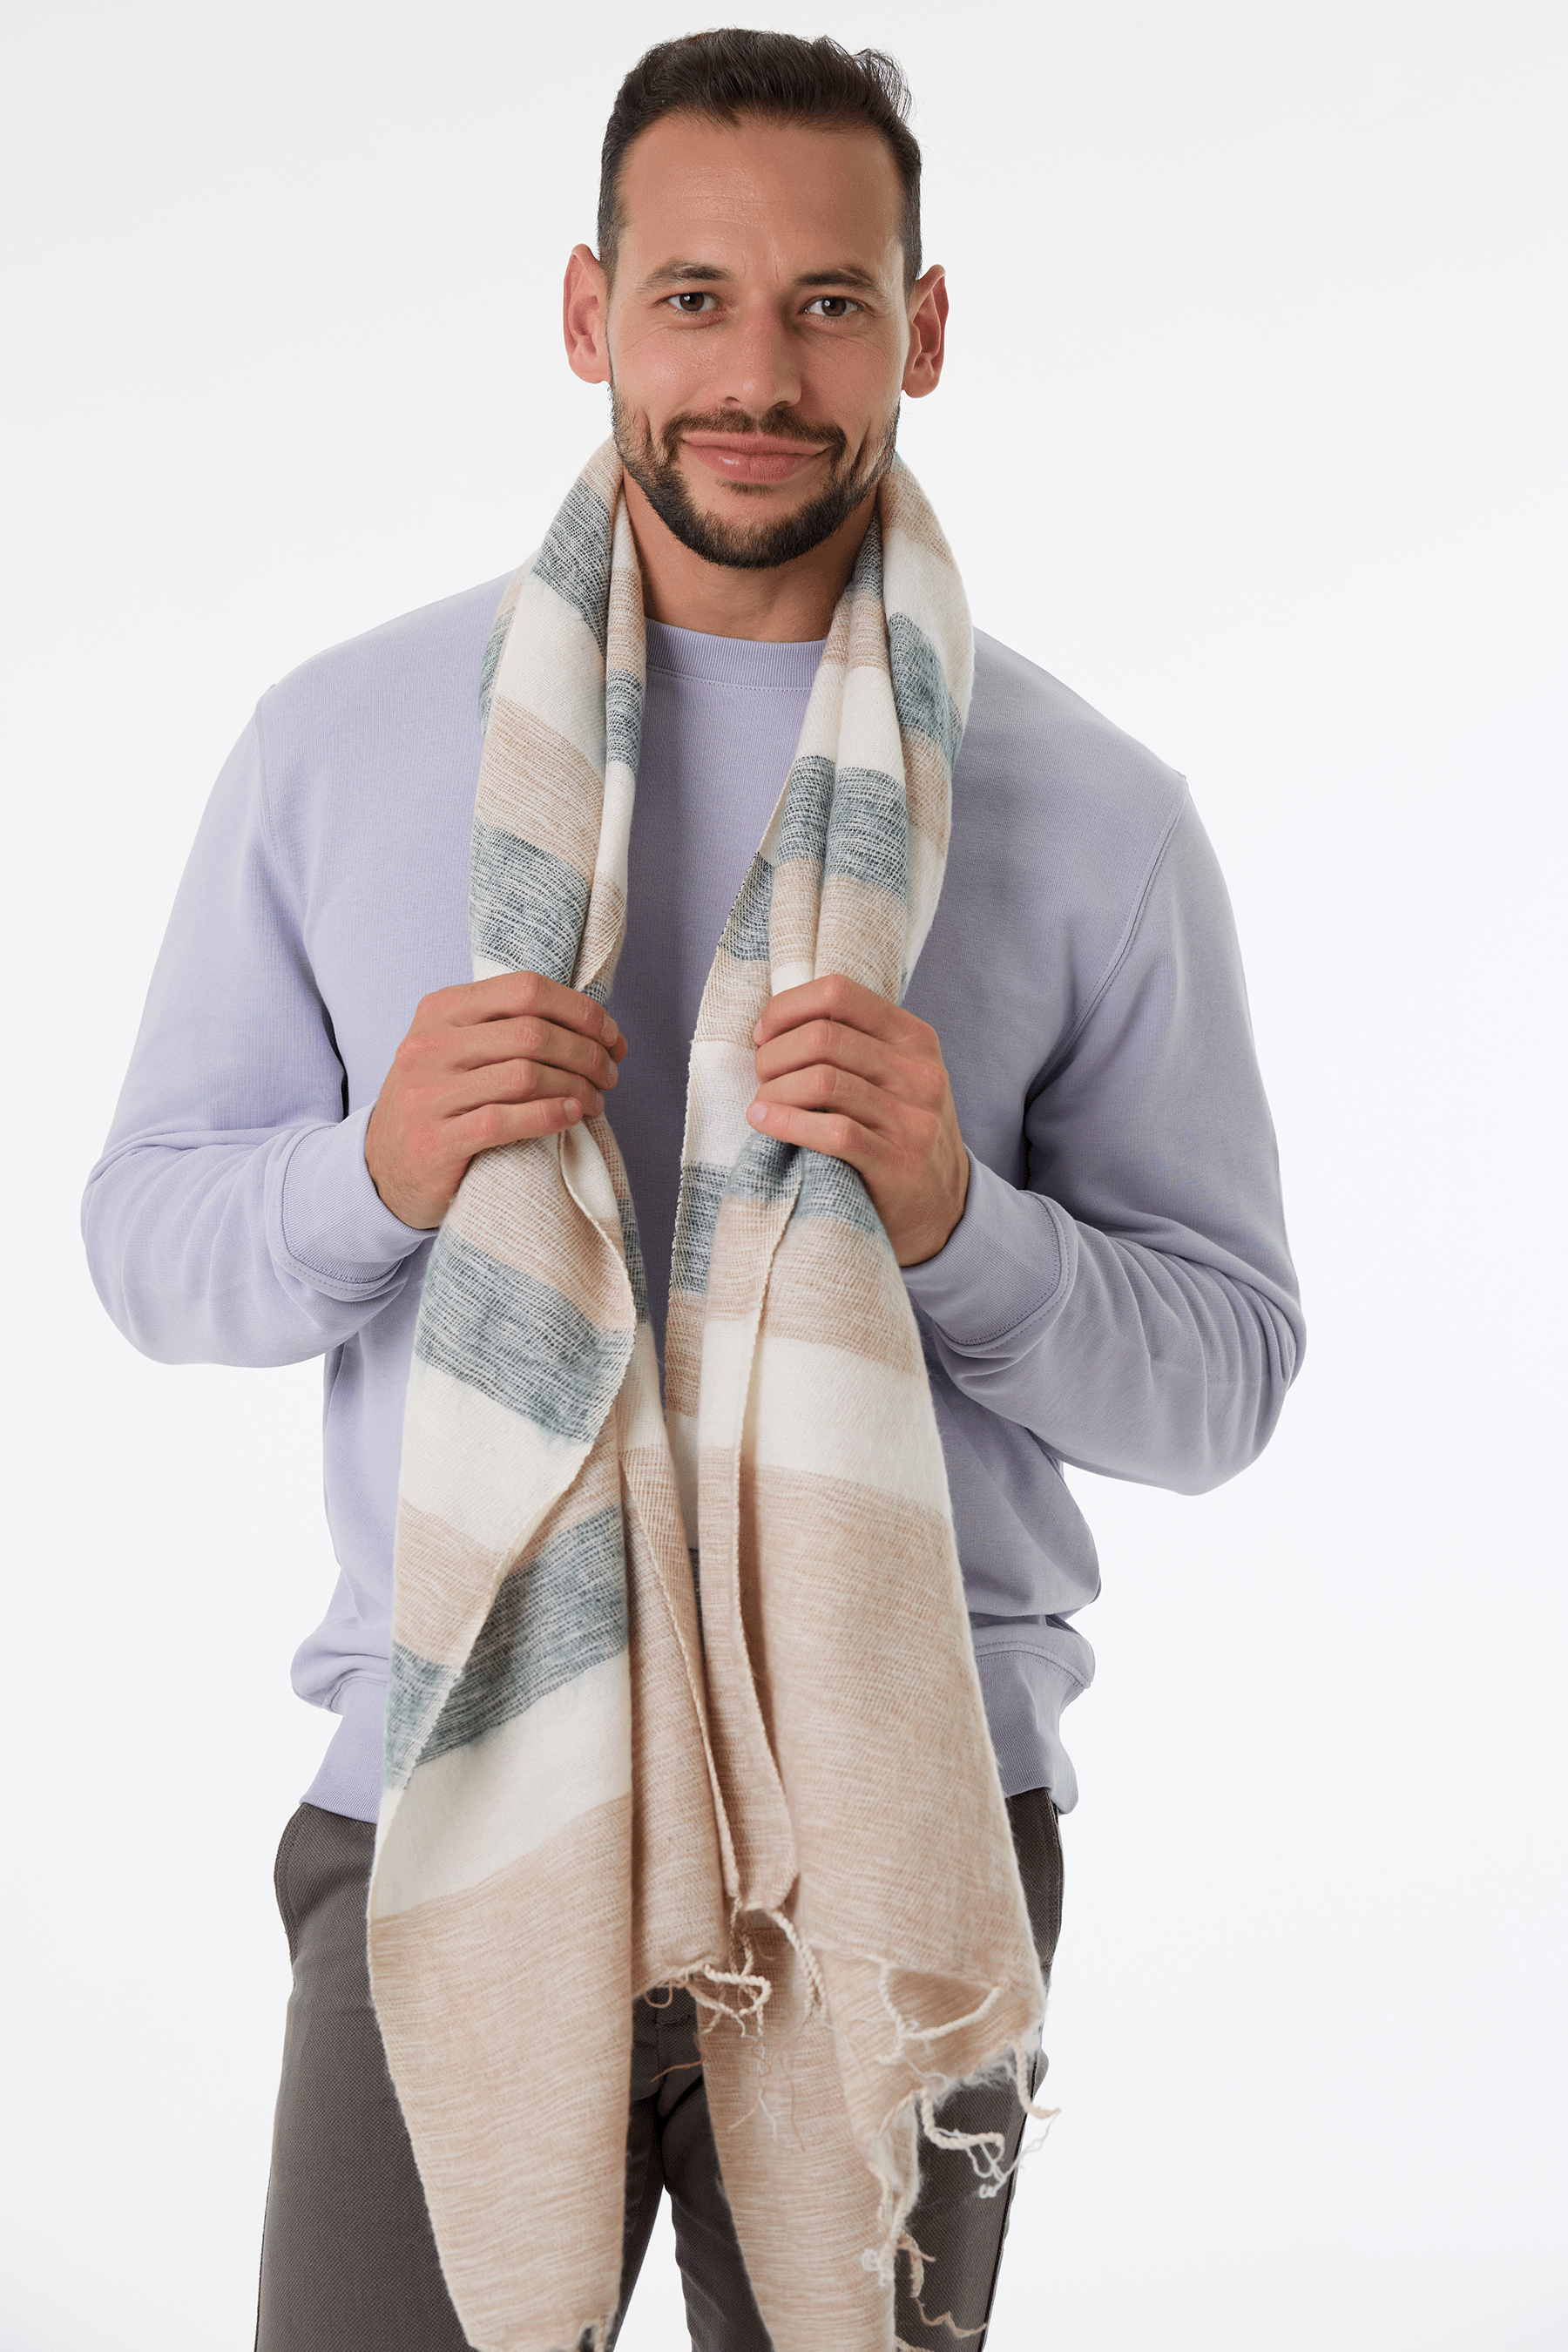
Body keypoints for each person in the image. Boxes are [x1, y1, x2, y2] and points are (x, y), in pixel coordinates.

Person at [82, 29, 1303, 2352]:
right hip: (457, 1779)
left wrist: (955, 1220)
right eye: (694, 298)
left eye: (830, 303)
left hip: (907, 1817)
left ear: (921, 329)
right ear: (590, 312)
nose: (760, 372)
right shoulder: (345, 742)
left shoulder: (1093, 810)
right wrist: (380, 1170)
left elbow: (1226, 1376)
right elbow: (148, 1243)